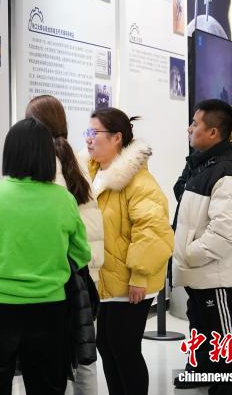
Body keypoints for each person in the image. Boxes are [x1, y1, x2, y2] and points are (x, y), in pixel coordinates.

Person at [0, 118, 91, 395]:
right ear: (47, 156)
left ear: (10, 154)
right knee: (47, 386)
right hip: (50, 306)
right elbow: (81, 253)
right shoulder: (63, 199)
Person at [83, 107, 174, 395]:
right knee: (107, 344)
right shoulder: (95, 173)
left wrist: (139, 275)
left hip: (132, 279)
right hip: (109, 277)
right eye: (87, 132)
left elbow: (152, 231)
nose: (88, 139)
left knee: (124, 348)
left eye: (94, 132)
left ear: (117, 138)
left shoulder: (138, 181)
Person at [173, 99, 232, 395]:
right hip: (203, 276)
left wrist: (189, 254)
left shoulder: (227, 173)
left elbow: (224, 234)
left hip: (217, 277)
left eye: (195, 124)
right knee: (208, 338)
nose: (190, 128)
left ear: (213, 133)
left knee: (227, 352)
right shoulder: (203, 164)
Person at [25, 95, 105, 395]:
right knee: (83, 355)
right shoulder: (76, 161)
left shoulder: (46, 169)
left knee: (57, 359)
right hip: (85, 275)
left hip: (63, 277)